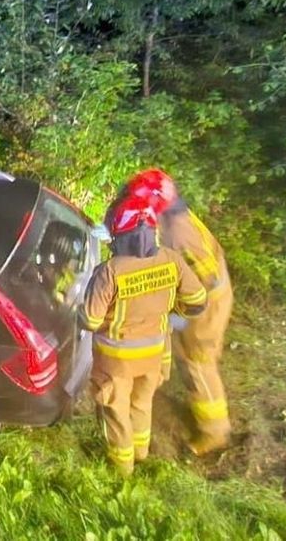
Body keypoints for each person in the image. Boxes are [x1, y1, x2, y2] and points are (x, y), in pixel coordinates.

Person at [81, 197, 208, 476]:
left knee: (116, 412)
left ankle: (120, 471)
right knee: (141, 404)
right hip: (154, 356)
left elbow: (90, 320)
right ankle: (141, 453)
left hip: (116, 363)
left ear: (119, 233)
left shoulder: (110, 271)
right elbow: (198, 300)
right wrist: (172, 312)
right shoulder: (171, 260)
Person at [117, 169, 234, 455]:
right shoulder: (174, 217)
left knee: (197, 363)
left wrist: (178, 315)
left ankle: (214, 432)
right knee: (188, 352)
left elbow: (199, 284)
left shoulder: (180, 235)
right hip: (207, 293)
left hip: (207, 304)